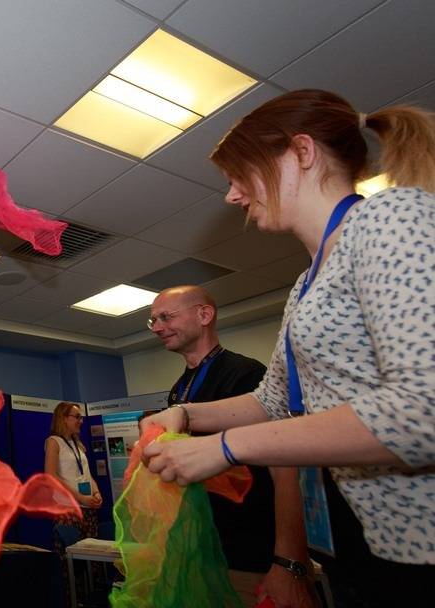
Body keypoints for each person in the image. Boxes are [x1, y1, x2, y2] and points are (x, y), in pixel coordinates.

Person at [140, 89, 435, 607]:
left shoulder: (391, 218)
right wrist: (182, 415)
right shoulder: (304, 285)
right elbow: (272, 401)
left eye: (240, 174)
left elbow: (423, 409)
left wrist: (226, 448)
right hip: (356, 541)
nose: (232, 196)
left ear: (301, 152)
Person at [149, 285, 315, 607]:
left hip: (251, 556)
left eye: (165, 317)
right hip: (206, 551)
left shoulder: (246, 374)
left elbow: (285, 468)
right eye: (152, 320)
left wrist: (287, 562)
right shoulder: (178, 390)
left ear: (204, 314)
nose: (157, 327)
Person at [44, 401, 102, 602]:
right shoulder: (53, 442)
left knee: (93, 563)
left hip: (88, 509)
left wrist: (96, 492)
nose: (81, 421)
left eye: (81, 417)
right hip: (67, 510)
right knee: (71, 565)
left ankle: (93, 599)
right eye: (77, 417)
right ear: (63, 418)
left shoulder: (79, 444)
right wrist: (79, 498)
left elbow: (86, 474)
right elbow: (50, 476)